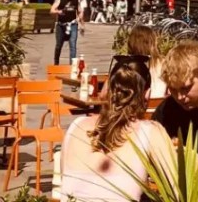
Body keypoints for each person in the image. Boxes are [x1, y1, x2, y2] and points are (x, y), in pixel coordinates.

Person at [60, 57, 172, 202]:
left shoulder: (76, 126)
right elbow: (178, 188)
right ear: (147, 93)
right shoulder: (150, 132)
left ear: (107, 90)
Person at [126, 25, 168, 98]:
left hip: (136, 104)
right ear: (153, 43)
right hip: (159, 103)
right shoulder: (164, 63)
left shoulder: (126, 65)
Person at [51, 0, 83, 65]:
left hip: (72, 24)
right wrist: (58, 12)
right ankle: (56, 63)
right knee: (58, 45)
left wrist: (80, 21)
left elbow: (80, 11)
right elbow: (52, 10)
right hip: (61, 25)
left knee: (73, 45)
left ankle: (72, 65)